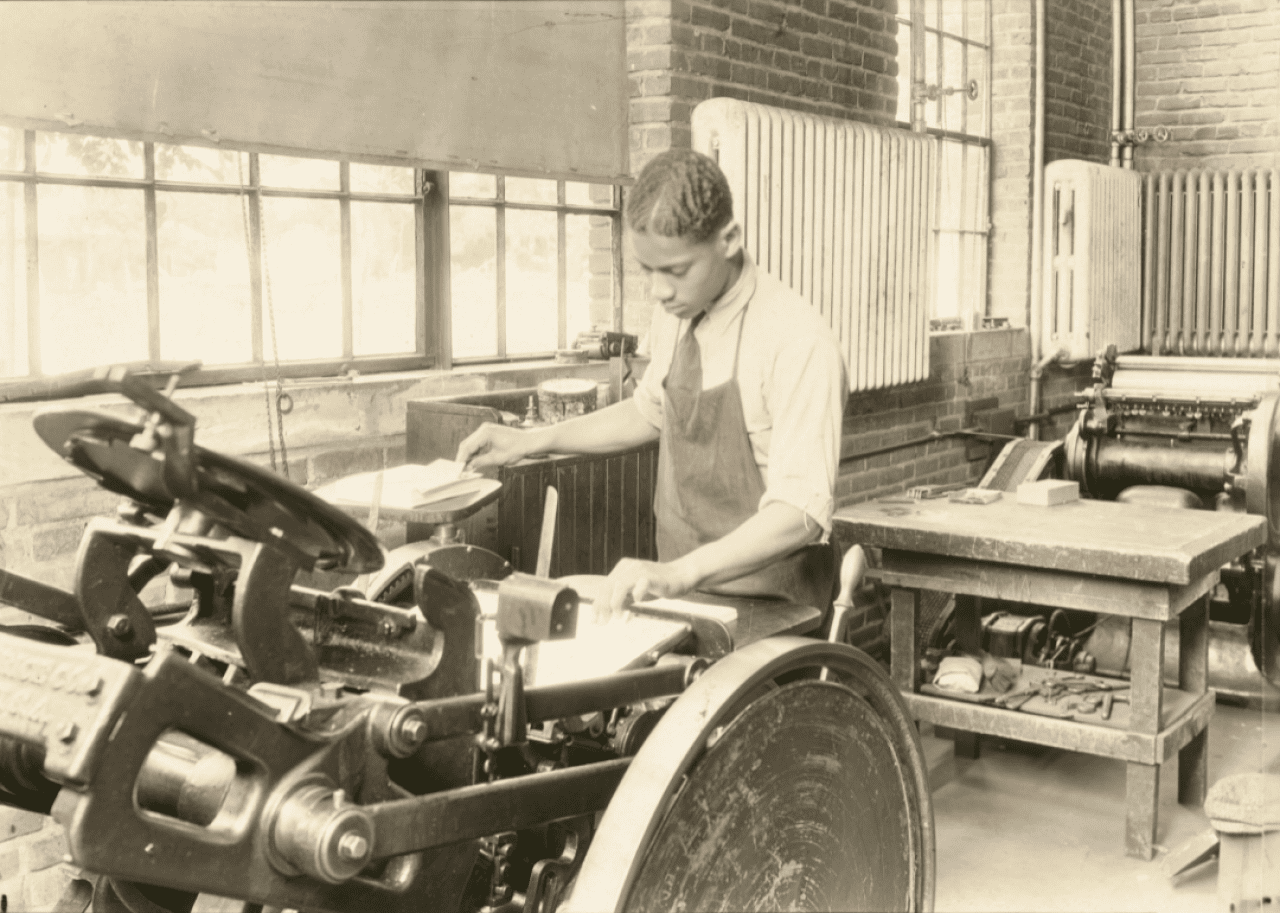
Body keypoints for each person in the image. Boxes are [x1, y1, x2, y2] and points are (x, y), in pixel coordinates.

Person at [457, 148, 848, 620]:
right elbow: (650, 411)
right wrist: (531, 442)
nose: (659, 292)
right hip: (686, 593)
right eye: (648, 271)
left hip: (775, 611)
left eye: (676, 271)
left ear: (729, 239)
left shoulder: (798, 341)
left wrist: (680, 574)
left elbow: (799, 513)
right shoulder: (678, 313)